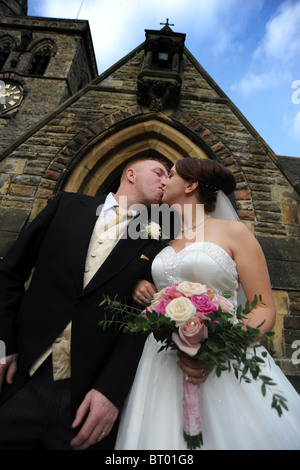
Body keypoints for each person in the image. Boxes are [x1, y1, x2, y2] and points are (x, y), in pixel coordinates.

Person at [115, 157, 300, 450]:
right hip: (160, 360)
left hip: (222, 357)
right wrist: (140, 285)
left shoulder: (234, 233)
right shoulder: (163, 241)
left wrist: (220, 347)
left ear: (190, 184)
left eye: (171, 175)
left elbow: (264, 309)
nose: (163, 180)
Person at [0, 156, 175, 450]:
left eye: (168, 177)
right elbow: (10, 273)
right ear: (130, 174)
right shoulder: (65, 206)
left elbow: (139, 323)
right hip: (20, 379)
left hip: (85, 402)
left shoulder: (156, 243)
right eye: (159, 173)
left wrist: (111, 391)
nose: (165, 181)